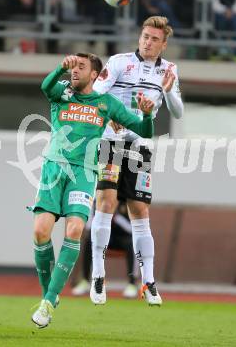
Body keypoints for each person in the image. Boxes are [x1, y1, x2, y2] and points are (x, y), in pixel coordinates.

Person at [31, 53, 155, 328]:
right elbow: (45, 87)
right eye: (73, 67)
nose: (74, 71)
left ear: (95, 76)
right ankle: (47, 293)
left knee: (74, 230)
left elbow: (144, 130)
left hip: (84, 174)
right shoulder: (62, 93)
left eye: (80, 68)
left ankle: (49, 301)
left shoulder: (106, 103)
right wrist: (59, 68)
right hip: (53, 170)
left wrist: (146, 114)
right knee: (40, 233)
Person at [90, 16, 184, 306]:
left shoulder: (170, 70)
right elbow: (96, 95)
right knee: (105, 202)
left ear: (164, 44)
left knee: (140, 211)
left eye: (155, 39)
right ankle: (98, 276)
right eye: (145, 36)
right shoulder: (119, 61)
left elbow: (178, 112)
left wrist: (168, 91)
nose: (148, 41)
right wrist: (112, 115)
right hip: (110, 140)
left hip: (140, 145)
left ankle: (149, 282)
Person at [72, 202, 138, 299]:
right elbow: (89, 227)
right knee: (89, 241)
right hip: (104, 237)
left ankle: (132, 284)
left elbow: (132, 229)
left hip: (120, 238)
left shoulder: (126, 202)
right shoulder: (98, 200)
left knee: (131, 243)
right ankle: (85, 281)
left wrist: (115, 217)